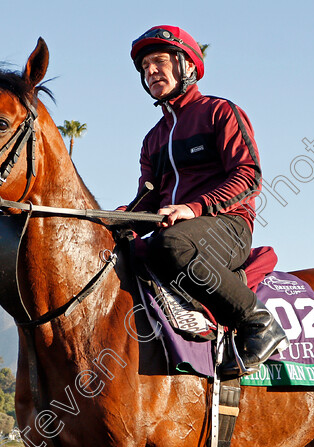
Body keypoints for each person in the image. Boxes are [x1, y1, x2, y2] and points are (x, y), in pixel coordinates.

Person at [124, 25, 288, 375]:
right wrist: (111, 220)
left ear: (185, 65)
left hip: (228, 227)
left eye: (159, 61)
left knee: (169, 245)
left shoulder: (220, 113)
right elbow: (146, 203)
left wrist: (192, 208)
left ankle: (257, 322)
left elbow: (249, 176)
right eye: (144, 67)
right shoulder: (152, 139)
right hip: (177, 231)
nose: (150, 71)